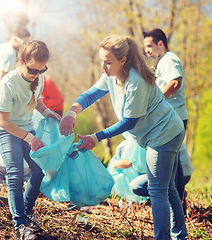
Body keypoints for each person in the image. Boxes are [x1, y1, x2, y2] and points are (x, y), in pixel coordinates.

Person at [59, 35, 187, 239]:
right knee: (168, 187)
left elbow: (129, 122)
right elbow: (91, 94)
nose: (103, 67)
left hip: (164, 134)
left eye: (108, 62)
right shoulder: (112, 74)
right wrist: (72, 112)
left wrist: (96, 137)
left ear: (123, 61)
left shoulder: (135, 81)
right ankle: (180, 235)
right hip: (167, 130)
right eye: (101, 60)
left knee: (157, 190)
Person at [0, 40, 61, 239]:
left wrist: (47, 112)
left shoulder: (38, 77)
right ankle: (20, 225)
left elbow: (34, 99)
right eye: (32, 70)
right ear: (21, 61)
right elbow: (3, 121)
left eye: (42, 69)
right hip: (6, 130)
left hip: (26, 127)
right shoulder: (8, 83)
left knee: (39, 171)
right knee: (15, 172)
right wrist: (30, 137)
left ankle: (27, 212)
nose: (36, 74)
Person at [144, 28, 189, 204]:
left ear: (160, 43)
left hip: (176, 117)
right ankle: (179, 207)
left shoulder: (170, 59)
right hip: (171, 118)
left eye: (150, 45)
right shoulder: (163, 61)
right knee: (173, 164)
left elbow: (175, 82)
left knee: (173, 165)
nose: (147, 50)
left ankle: (179, 209)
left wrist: (157, 99)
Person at [0, 26, 31, 114]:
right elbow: (3, 81)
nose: (23, 46)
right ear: (15, 39)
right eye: (23, 43)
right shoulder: (10, 53)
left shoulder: (2, 47)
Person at [129, 142, 193, 198]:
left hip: (176, 175)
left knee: (136, 186)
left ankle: (164, 197)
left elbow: (142, 165)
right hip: (185, 173)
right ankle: (175, 194)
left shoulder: (159, 137)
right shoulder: (170, 132)